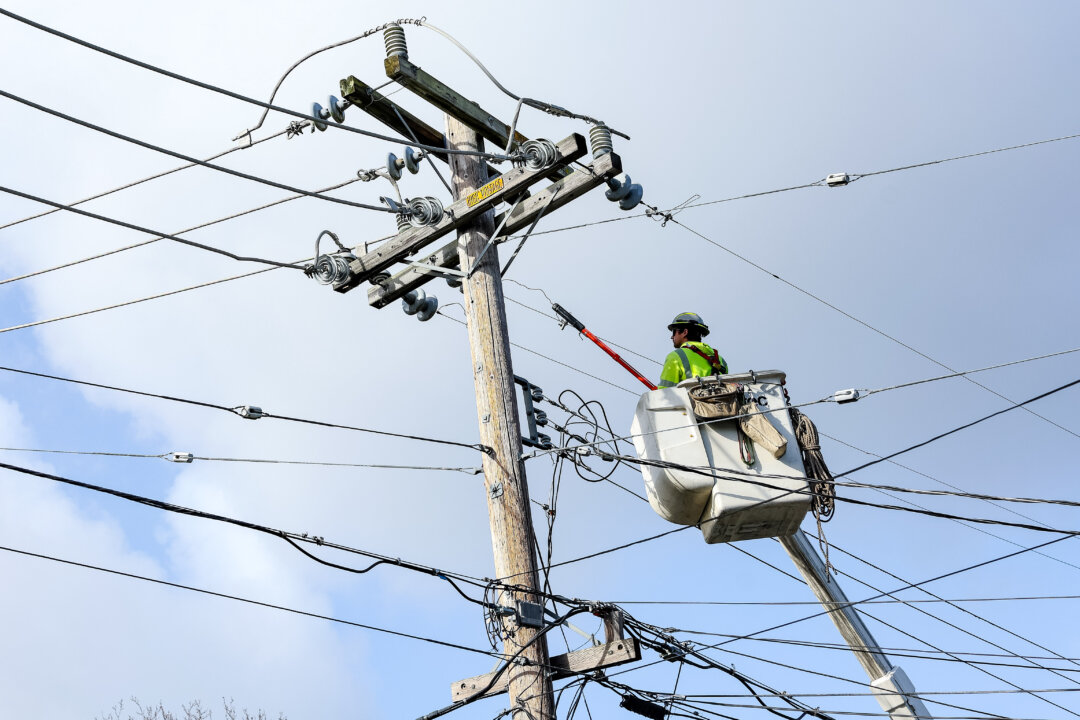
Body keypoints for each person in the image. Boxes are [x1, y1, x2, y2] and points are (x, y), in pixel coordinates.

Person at [658, 312, 728, 388]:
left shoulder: (675, 356)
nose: (672, 337)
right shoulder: (721, 360)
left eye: (674, 332)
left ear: (685, 332)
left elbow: (664, 392)